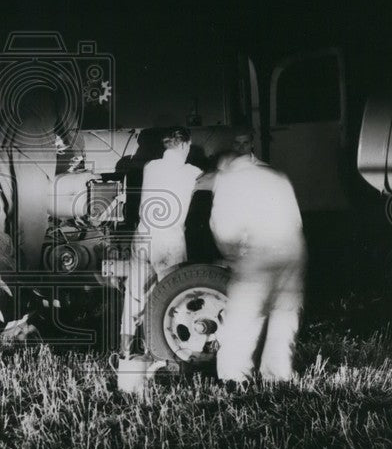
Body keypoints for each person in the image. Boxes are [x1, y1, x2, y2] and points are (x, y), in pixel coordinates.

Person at [209, 138, 306, 383]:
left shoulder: (229, 178)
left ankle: (234, 376)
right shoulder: (275, 174)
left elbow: (223, 228)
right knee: (284, 315)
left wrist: (231, 257)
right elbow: (297, 221)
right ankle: (277, 375)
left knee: (244, 315)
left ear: (224, 162)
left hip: (260, 252)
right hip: (292, 250)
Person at [120, 126, 202, 357]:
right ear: (185, 145)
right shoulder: (192, 171)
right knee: (172, 295)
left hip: (143, 235)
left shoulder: (150, 166)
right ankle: (170, 351)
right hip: (169, 239)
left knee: (135, 294)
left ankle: (124, 353)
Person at [0, 82, 84, 271]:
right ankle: (28, 277)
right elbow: (70, 125)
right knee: (32, 219)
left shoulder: (34, 88)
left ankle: (10, 265)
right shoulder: (63, 89)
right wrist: (81, 152)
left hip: (3, 144)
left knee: (14, 213)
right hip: (28, 148)